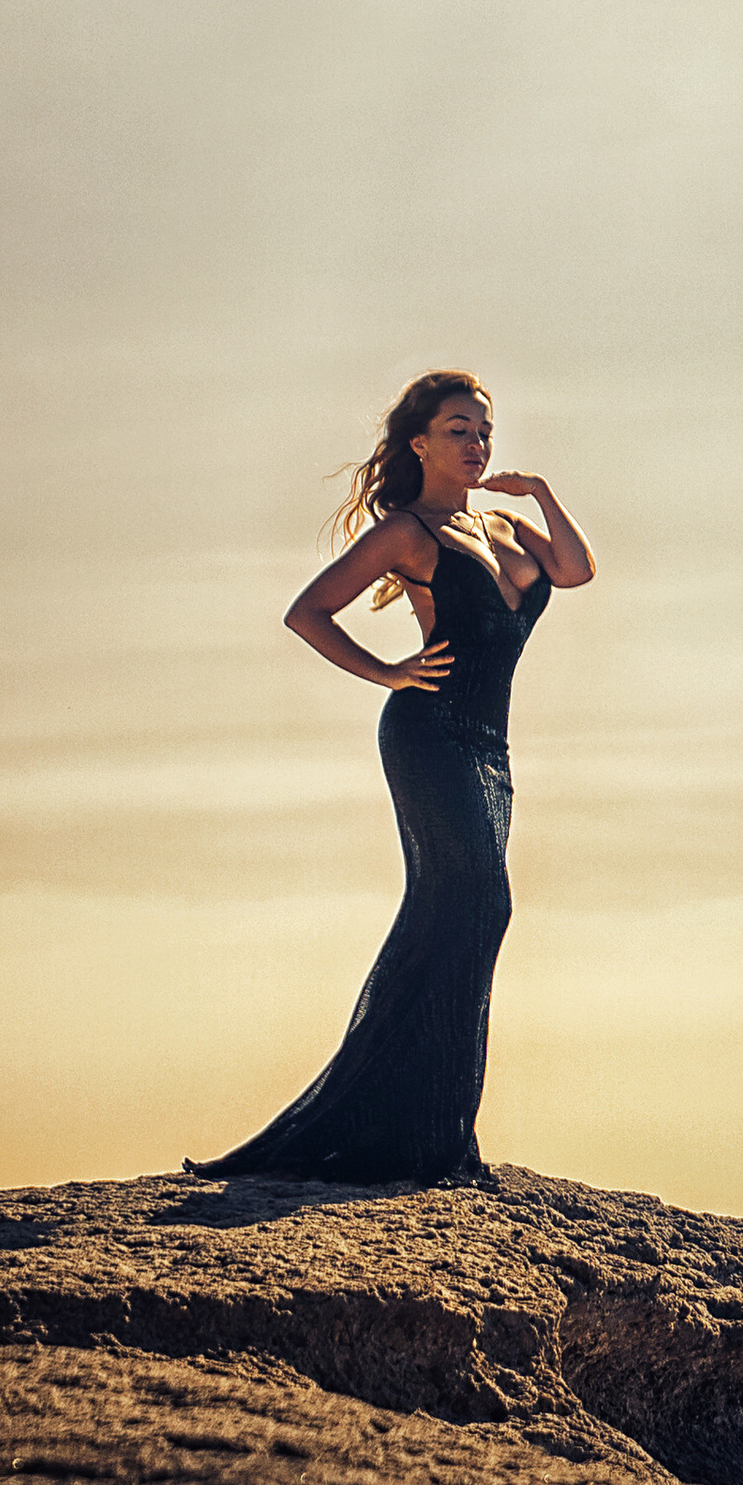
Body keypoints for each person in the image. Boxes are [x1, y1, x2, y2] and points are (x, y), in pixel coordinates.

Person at [188, 368, 594, 1187]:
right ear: (420, 443)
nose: (477, 444)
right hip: (428, 733)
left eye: (484, 430)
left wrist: (544, 493)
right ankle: (418, 1129)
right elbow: (307, 612)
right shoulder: (408, 534)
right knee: (482, 900)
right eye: (458, 430)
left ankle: (415, 1125)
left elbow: (576, 571)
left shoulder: (509, 529)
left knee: (459, 908)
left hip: (489, 748)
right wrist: (386, 672)